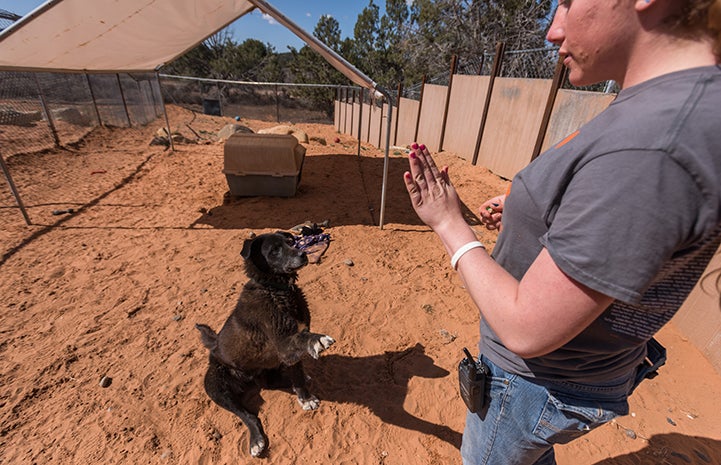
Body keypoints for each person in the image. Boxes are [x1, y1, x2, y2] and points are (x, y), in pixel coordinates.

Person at [403, 0, 721, 463]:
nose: (553, 31)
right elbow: (608, 210)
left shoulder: (650, 147)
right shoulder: (662, 106)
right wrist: (527, 208)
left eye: (568, 2)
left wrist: (449, 223)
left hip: (537, 381)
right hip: (575, 370)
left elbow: (526, 327)